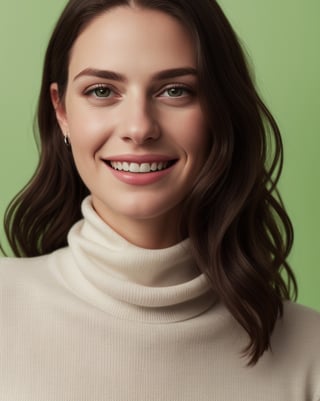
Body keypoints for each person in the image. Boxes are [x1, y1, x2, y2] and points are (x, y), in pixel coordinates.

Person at [0, 0, 319, 400]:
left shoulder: (310, 351)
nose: (139, 127)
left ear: (221, 111)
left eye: (175, 91)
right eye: (102, 91)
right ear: (61, 110)